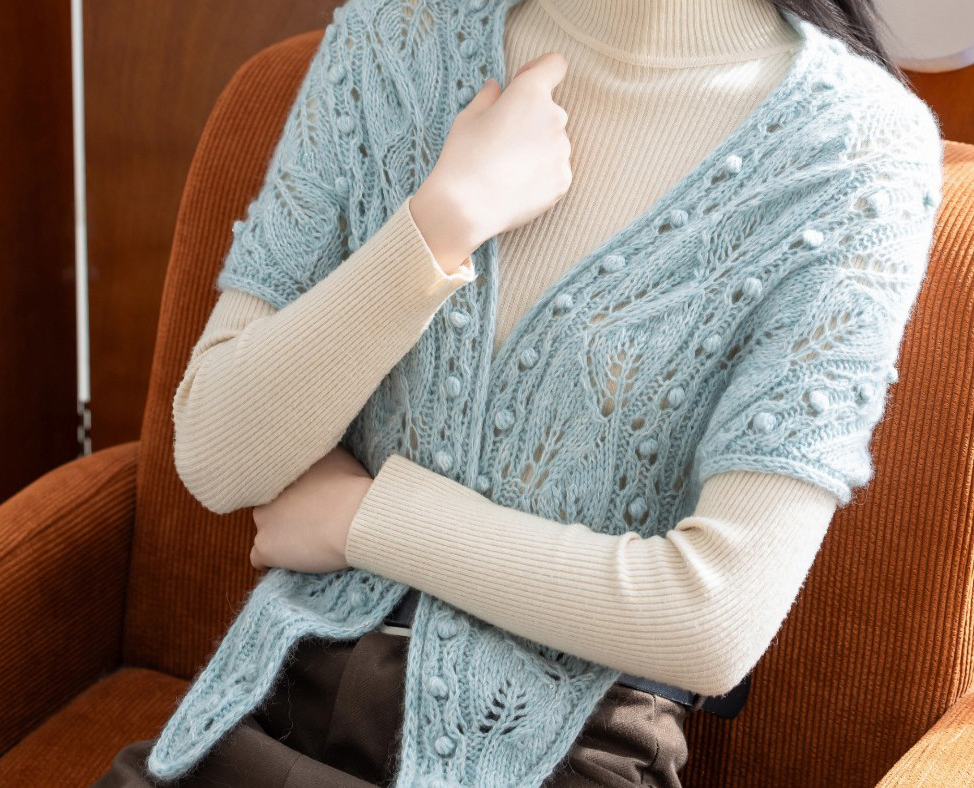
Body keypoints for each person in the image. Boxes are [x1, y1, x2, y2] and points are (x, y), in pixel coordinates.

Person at [91, 0, 942, 785]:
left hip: (565, 753)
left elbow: (712, 620)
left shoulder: (857, 150)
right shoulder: (396, 36)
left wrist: (366, 519)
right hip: (271, 713)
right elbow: (215, 451)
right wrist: (441, 222)